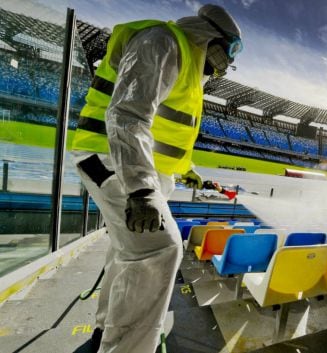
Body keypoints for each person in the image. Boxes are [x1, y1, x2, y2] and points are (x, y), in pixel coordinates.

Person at [70, 4, 242, 352]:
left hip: (136, 167)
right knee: (160, 248)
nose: (229, 62)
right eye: (230, 50)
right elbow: (128, 115)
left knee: (129, 252)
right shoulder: (163, 42)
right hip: (111, 159)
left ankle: (106, 334)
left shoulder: (187, 69)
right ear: (209, 35)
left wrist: (188, 172)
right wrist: (141, 189)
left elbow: (164, 135)